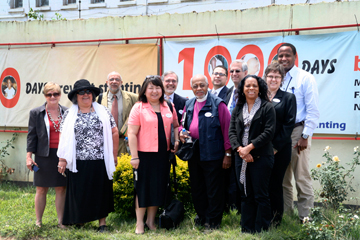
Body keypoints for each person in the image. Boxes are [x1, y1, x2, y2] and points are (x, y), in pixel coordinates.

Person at [57, 79, 118, 232]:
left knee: (100, 191)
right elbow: (63, 137)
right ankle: (80, 221)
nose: (86, 95)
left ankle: (102, 223)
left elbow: (114, 131)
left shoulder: (103, 111)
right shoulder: (69, 114)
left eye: (88, 92)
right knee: (80, 192)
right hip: (77, 161)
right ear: (75, 96)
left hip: (100, 159)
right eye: (81, 92)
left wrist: (114, 155)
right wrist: (62, 158)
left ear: (93, 95)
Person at [127, 75, 179, 234]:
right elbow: (132, 133)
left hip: (163, 156)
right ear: (144, 90)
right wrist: (134, 156)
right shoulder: (139, 107)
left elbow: (176, 125)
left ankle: (150, 221)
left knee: (158, 188)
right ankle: (139, 224)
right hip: (144, 156)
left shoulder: (168, 105)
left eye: (158, 88)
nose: (155, 91)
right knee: (142, 189)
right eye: (151, 88)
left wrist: (176, 140)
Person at [179, 74, 231, 230]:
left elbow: (227, 130)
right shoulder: (189, 103)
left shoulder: (218, 104)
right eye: (195, 86)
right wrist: (182, 132)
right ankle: (202, 216)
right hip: (194, 153)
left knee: (213, 189)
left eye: (202, 85)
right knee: (197, 188)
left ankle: (213, 220)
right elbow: (183, 124)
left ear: (208, 86)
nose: (199, 88)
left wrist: (228, 154)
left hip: (213, 154)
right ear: (192, 88)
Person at [278, 43, 320, 222]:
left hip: (298, 132)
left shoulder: (305, 78)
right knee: (283, 178)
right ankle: (286, 217)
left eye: (287, 55)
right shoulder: (276, 78)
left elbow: (313, 110)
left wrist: (305, 135)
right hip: (280, 134)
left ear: (295, 57)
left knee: (301, 176)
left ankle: (306, 218)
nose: (284, 59)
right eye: (281, 55)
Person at [228, 75, 276, 233]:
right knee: (245, 194)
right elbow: (232, 132)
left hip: (261, 157)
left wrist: (250, 147)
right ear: (242, 89)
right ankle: (247, 228)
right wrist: (241, 150)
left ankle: (262, 229)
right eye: (247, 86)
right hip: (240, 157)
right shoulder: (238, 108)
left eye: (254, 86)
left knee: (260, 195)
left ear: (260, 88)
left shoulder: (267, 107)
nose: (251, 88)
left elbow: (269, 132)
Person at [26, 82, 67, 228]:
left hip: (62, 155)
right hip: (43, 155)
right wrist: (29, 157)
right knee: (41, 188)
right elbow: (31, 136)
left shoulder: (67, 112)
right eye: (49, 94)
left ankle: (61, 221)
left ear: (60, 95)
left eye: (55, 94)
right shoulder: (36, 113)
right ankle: (38, 221)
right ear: (44, 96)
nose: (52, 96)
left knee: (61, 188)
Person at [264, 63, 296, 227]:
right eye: (270, 76)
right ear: (265, 78)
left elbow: (288, 126)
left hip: (280, 150)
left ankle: (276, 220)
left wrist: (275, 147)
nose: (273, 79)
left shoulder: (288, 98)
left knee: (275, 184)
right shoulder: (259, 97)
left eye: (277, 76)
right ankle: (263, 217)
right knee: (262, 184)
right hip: (261, 149)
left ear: (282, 79)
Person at [224, 59, 248, 213]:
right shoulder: (228, 92)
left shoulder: (251, 91)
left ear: (245, 73)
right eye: (231, 71)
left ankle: (244, 210)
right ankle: (233, 209)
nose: (233, 74)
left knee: (244, 179)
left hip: (245, 144)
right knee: (231, 178)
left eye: (237, 71)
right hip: (229, 143)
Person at [98, 71, 138, 156]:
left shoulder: (132, 98)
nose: (114, 82)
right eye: (111, 79)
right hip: (105, 142)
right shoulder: (99, 99)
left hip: (124, 142)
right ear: (107, 82)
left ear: (121, 82)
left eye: (117, 79)